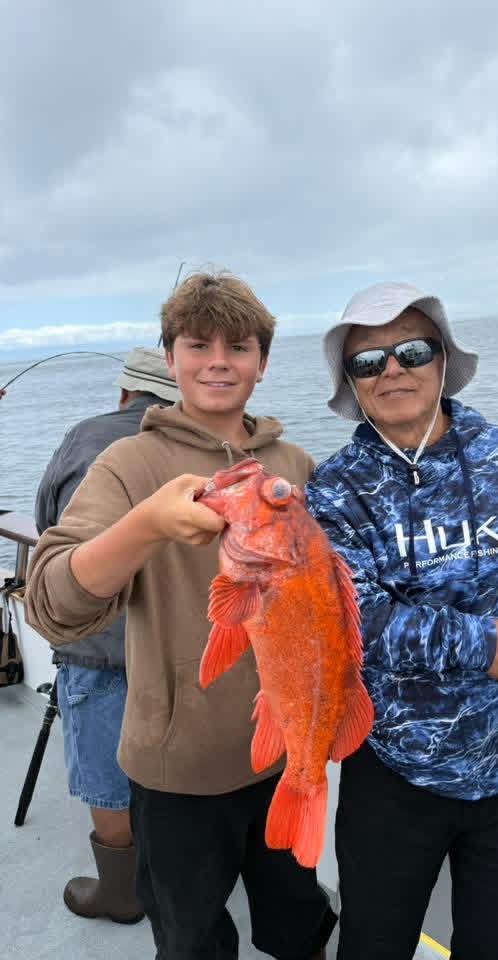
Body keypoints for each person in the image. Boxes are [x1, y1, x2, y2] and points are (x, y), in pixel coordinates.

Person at [305, 281, 498, 960]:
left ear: (443, 358)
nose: (393, 369)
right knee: (372, 947)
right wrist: (486, 644)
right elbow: (358, 620)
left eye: (413, 351)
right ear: (351, 382)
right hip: (393, 775)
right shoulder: (332, 490)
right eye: (368, 361)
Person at [25, 272, 336, 960]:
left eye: (239, 347)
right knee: (190, 941)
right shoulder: (128, 463)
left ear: (262, 362)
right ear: (170, 359)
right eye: (198, 345)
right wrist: (145, 525)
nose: (218, 362)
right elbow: (52, 603)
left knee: (299, 925)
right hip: (176, 772)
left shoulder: (292, 463)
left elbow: (339, 594)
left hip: (282, 755)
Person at [34, 346, 179, 923]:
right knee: (174, 767)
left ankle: (121, 891)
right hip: (174, 643)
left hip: (96, 644)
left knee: (105, 774)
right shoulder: (192, 446)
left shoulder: (84, 436)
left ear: (124, 392)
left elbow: (49, 523)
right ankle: (182, 872)